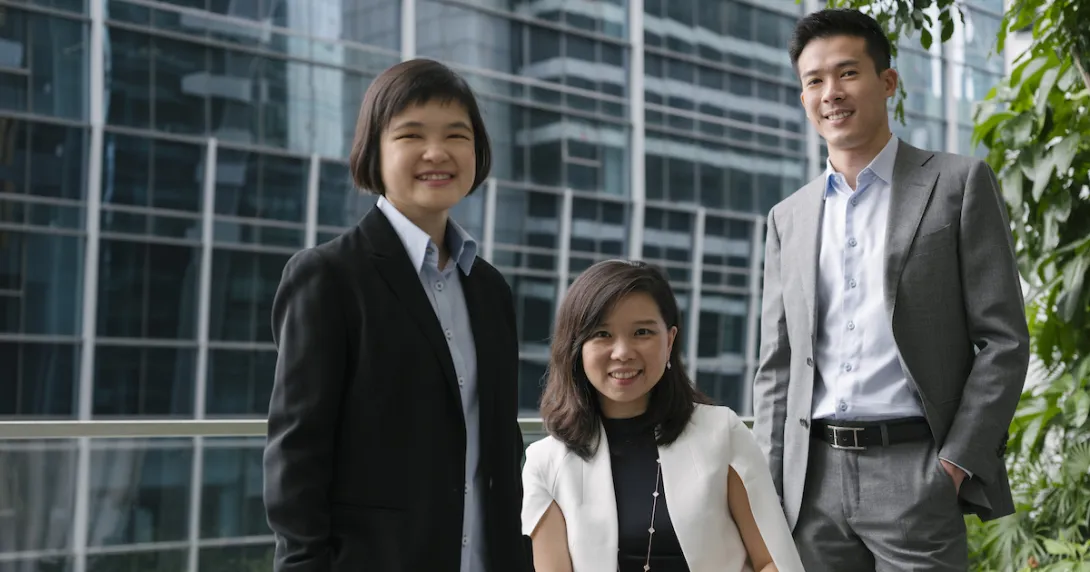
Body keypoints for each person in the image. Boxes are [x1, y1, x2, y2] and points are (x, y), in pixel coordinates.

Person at [751, 8, 1031, 572]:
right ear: (803, 97)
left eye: (847, 73)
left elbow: (1003, 340)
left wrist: (954, 463)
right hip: (813, 483)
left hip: (915, 471)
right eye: (814, 81)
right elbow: (776, 369)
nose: (831, 92)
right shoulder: (788, 217)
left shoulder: (958, 183)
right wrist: (769, 488)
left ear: (887, 82)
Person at [263, 58, 527, 572]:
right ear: (374, 153)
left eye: (457, 134)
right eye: (410, 135)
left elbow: (501, 448)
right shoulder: (328, 277)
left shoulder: (490, 289)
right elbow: (296, 457)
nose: (437, 152)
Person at [522, 260, 804, 572]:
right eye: (602, 334)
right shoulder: (545, 461)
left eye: (642, 332)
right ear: (576, 348)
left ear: (669, 341)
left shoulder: (722, 433)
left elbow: (770, 560)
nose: (622, 352)